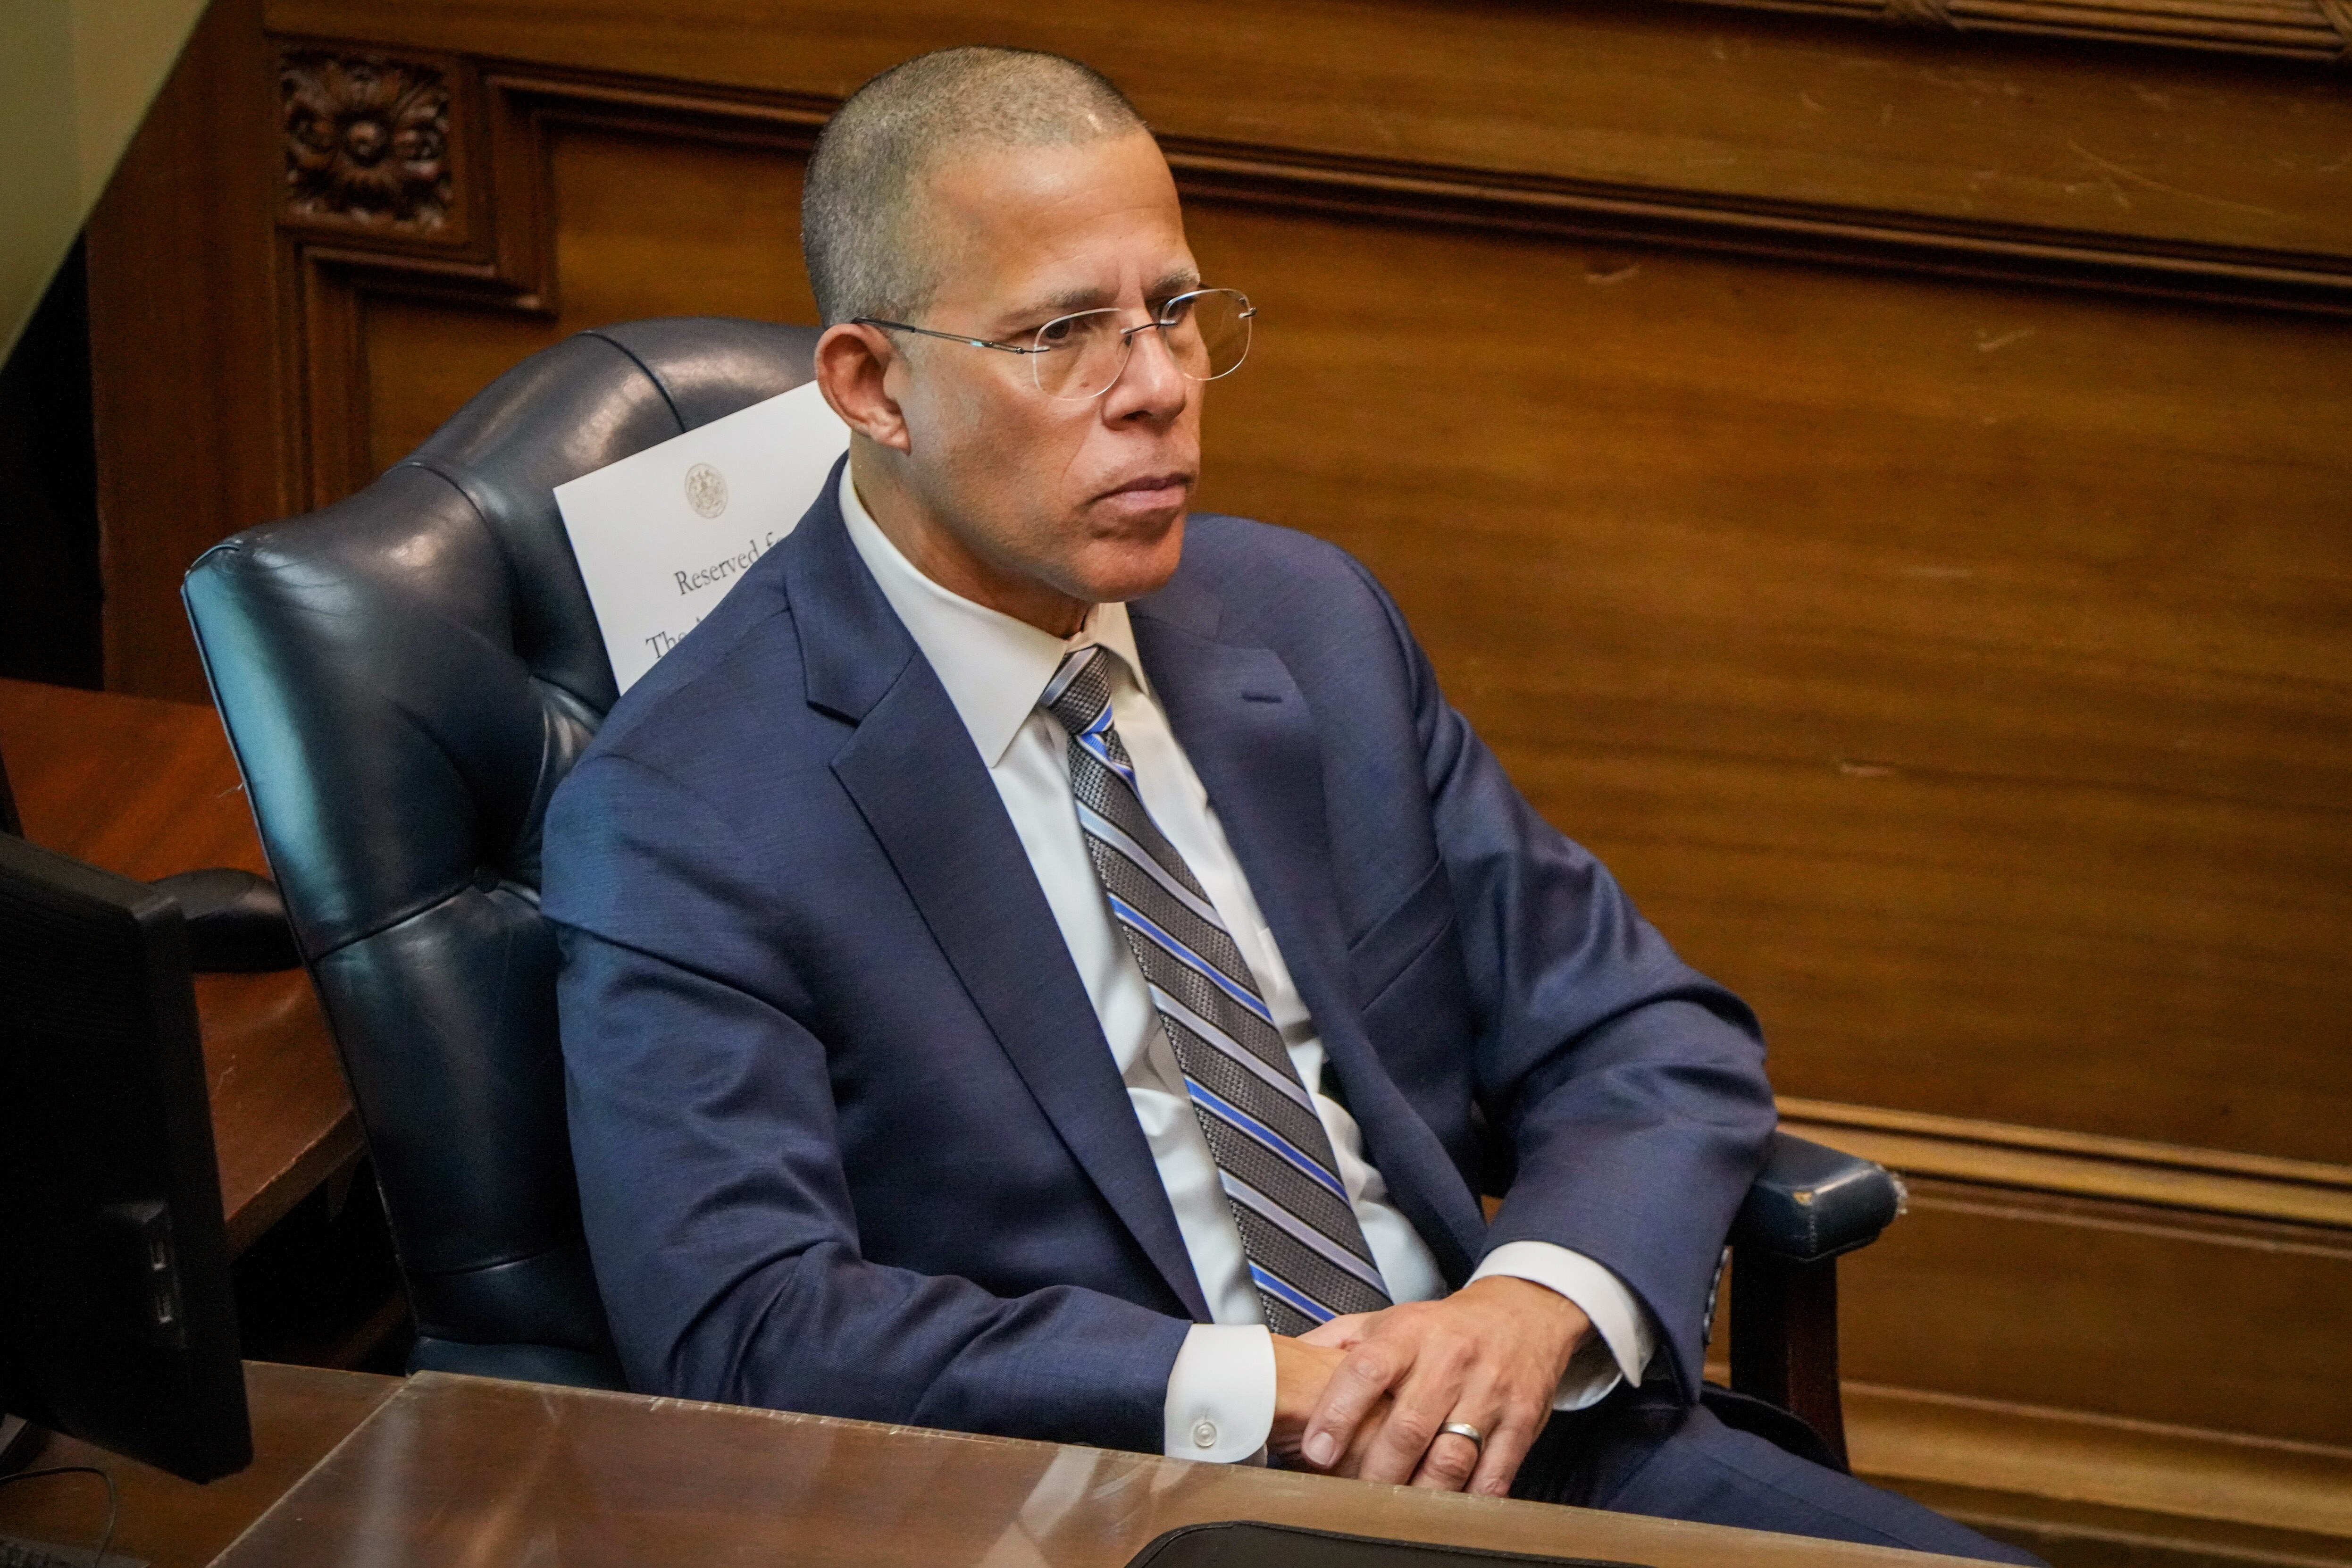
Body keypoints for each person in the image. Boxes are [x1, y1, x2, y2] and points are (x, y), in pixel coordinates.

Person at [541, 46, 2035, 1562]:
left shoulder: (1306, 621)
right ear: (874, 386)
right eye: (1065, 334)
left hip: (1518, 1444)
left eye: (1175, 312)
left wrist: (1534, 1305)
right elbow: (750, 1323)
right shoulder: (690, 805)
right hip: (1119, 1507)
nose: (1160, 389)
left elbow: (1642, 1032)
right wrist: (1272, 1388)